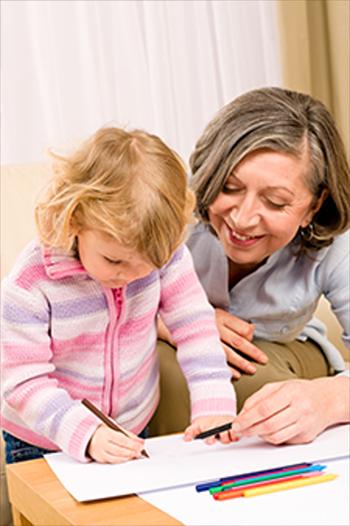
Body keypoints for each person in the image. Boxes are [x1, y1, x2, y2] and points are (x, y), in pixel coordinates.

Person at [1, 127, 236, 465]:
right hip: (41, 438)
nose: (128, 277)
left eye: (147, 266)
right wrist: (87, 434)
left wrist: (214, 404)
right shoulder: (31, 283)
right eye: (114, 261)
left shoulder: (166, 257)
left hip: (131, 427)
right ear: (74, 219)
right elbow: (23, 382)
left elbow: (196, 329)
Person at [150, 87, 350, 446]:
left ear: (314, 205)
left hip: (288, 348)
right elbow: (95, 290)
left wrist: (328, 400)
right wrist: (177, 319)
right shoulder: (171, 205)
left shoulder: (338, 244)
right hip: (176, 348)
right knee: (168, 368)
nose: (242, 219)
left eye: (275, 203)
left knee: (252, 390)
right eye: (230, 187)